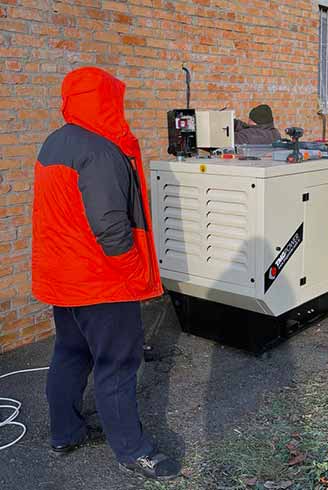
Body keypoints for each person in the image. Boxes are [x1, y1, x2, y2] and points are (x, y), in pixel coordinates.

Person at [31, 67, 180, 479]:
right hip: (101, 281)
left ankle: (65, 432)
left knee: (70, 352)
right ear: (105, 100)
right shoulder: (100, 151)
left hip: (65, 279)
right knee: (118, 363)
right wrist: (132, 272)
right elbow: (111, 226)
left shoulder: (54, 142)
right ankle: (133, 451)